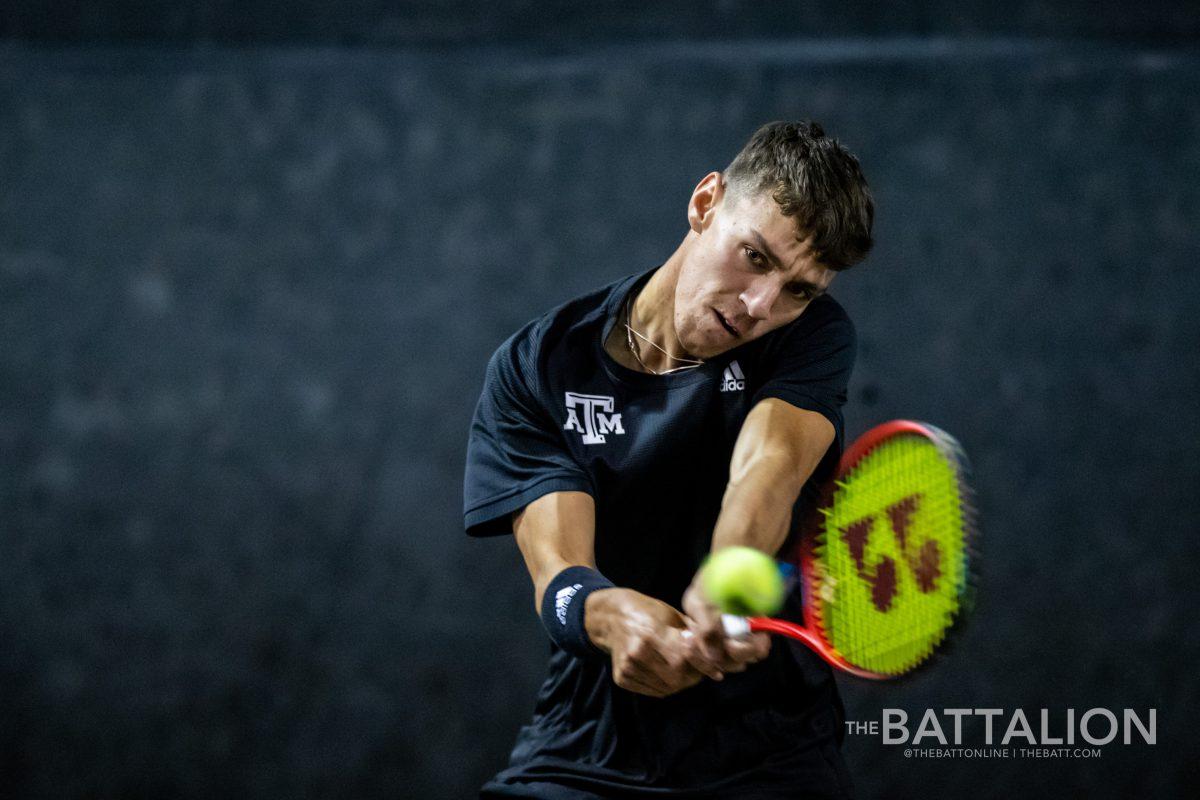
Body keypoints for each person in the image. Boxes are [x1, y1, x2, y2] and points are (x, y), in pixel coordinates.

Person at [464, 120, 874, 798]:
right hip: (587, 742)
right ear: (705, 203)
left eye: (800, 289)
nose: (761, 305)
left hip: (769, 749)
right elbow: (559, 573)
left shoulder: (811, 338)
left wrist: (730, 574)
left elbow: (767, 466)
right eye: (757, 257)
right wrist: (610, 616)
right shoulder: (538, 365)